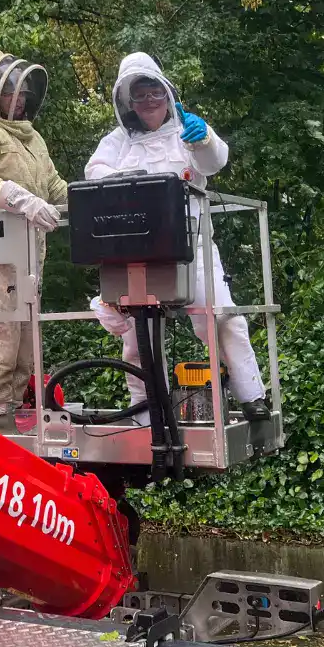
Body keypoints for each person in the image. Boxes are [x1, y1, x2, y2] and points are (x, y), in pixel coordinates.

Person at [85, 52, 269, 422]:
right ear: (128, 102)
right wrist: (130, 179)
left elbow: (215, 161)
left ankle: (252, 396)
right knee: (138, 339)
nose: (149, 101)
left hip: (194, 248)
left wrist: (203, 142)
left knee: (222, 317)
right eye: (140, 95)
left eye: (154, 91)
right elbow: (94, 173)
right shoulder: (118, 141)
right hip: (139, 253)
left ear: (166, 92)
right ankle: (146, 413)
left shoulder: (187, 129)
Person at [0, 49, 67, 432]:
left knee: (24, 336)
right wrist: (23, 200)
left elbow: (54, 186)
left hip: (27, 252)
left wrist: (91, 201)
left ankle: (13, 407)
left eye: (23, 93)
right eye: (11, 93)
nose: (19, 100)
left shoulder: (33, 138)